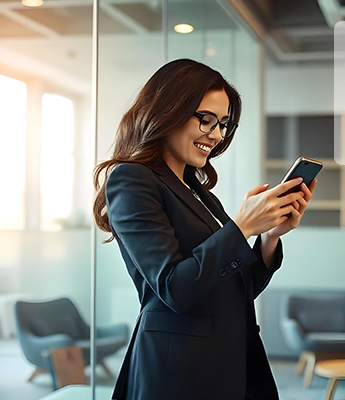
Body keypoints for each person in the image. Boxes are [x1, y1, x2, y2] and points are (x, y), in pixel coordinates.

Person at [92, 58, 317, 400]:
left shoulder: (199, 193)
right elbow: (174, 289)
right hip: (178, 373)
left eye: (224, 124)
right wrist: (241, 227)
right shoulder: (131, 179)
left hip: (229, 363)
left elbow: (236, 288)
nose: (216, 135)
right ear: (168, 110)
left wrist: (269, 236)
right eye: (206, 120)